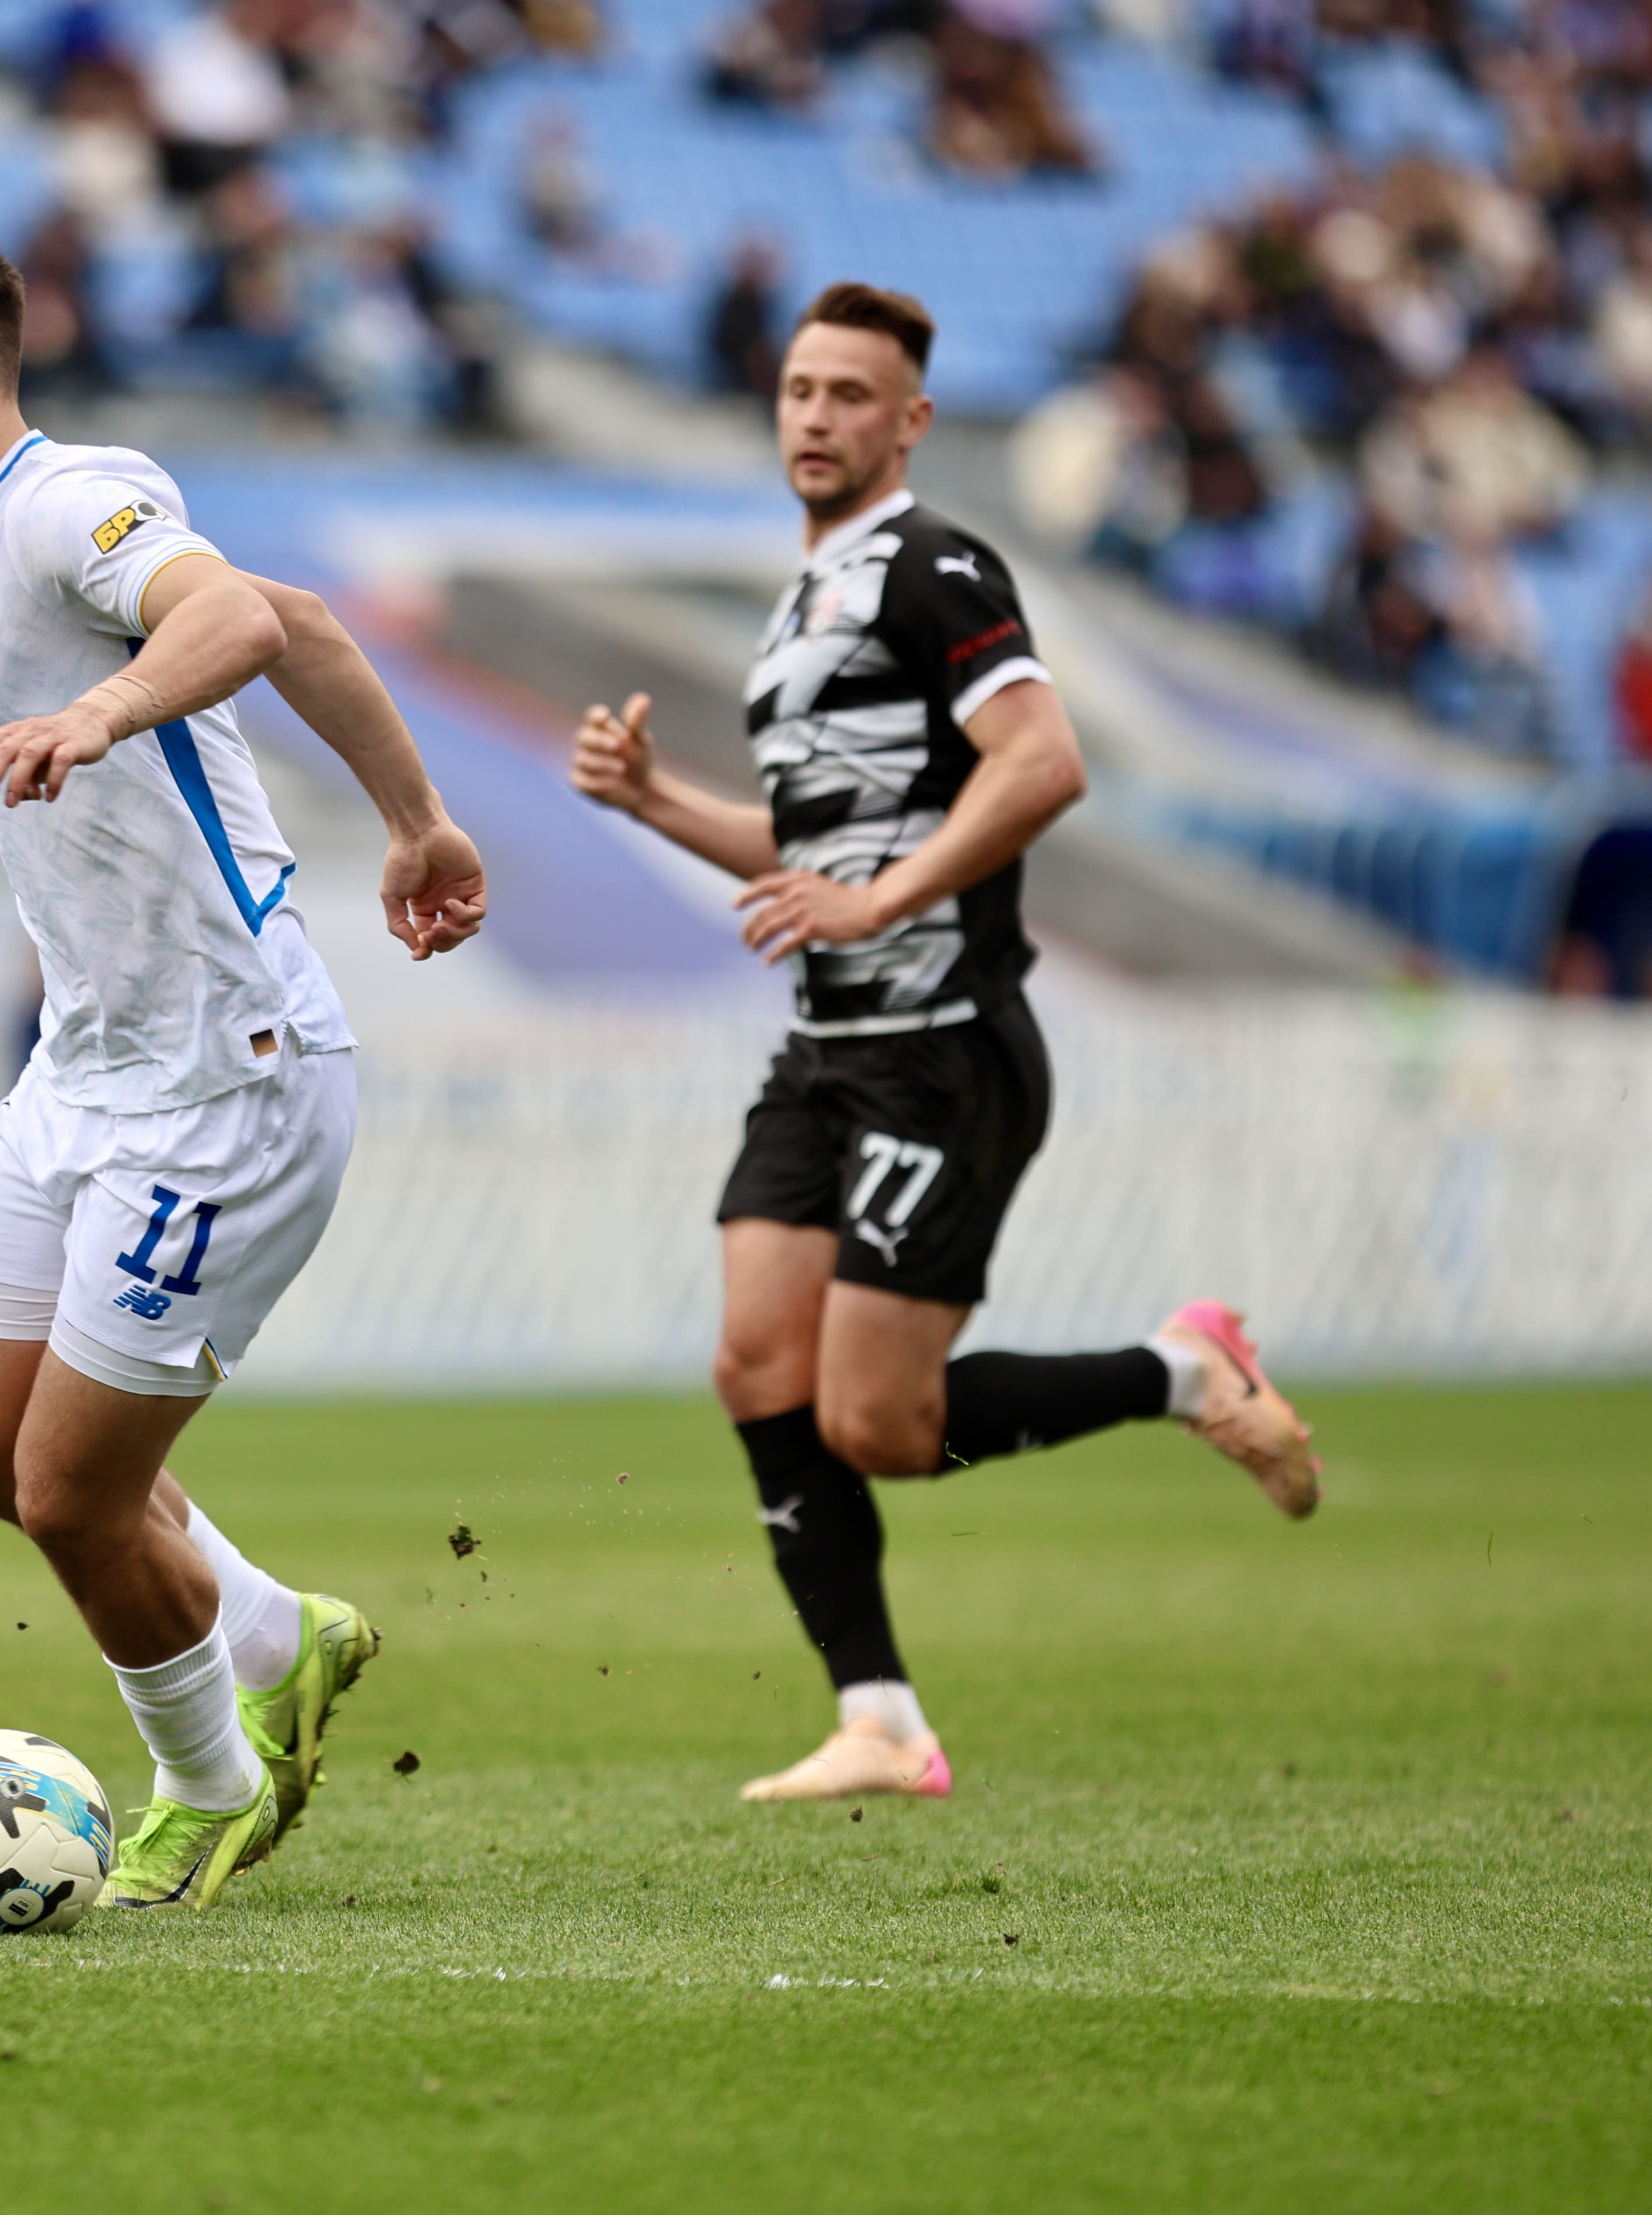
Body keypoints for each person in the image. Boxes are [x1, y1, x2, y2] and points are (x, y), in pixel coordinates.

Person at [567, 283, 1319, 1806]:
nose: (814, 416)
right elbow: (812, 843)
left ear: (909, 421)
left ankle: (1180, 1372)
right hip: (826, 1045)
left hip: (943, 1046)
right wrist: (651, 799)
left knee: (877, 1424)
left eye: (850, 395)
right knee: (753, 1360)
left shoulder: (933, 563)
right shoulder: (800, 604)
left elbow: (1040, 763)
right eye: (798, 389)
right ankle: (878, 1719)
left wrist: (881, 900)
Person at [0, 234, 487, 1908]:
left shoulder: (60, 503)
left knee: (65, 1492)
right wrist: (415, 821)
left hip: (224, 1082)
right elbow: (298, 618)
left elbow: (235, 617)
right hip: (86, 1068)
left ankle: (206, 1786)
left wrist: (102, 715)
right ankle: (273, 1633)